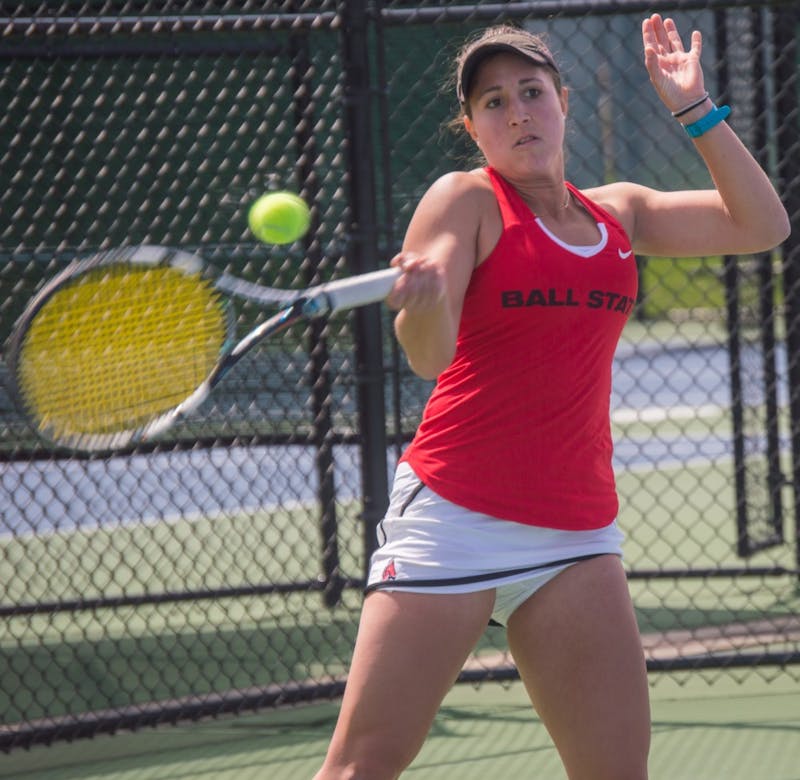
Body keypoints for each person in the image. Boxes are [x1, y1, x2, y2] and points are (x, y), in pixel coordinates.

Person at [314, 13, 789, 780]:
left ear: (563, 100)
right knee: (361, 768)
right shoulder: (464, 200)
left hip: (576, 533)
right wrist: (426, 301)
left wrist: (695, 110)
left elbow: (761, 225)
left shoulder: (619, 215)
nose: (517, 112)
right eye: (493, 102)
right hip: (454, 520)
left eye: (530, 91)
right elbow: (429, 357)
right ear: (472, 126)